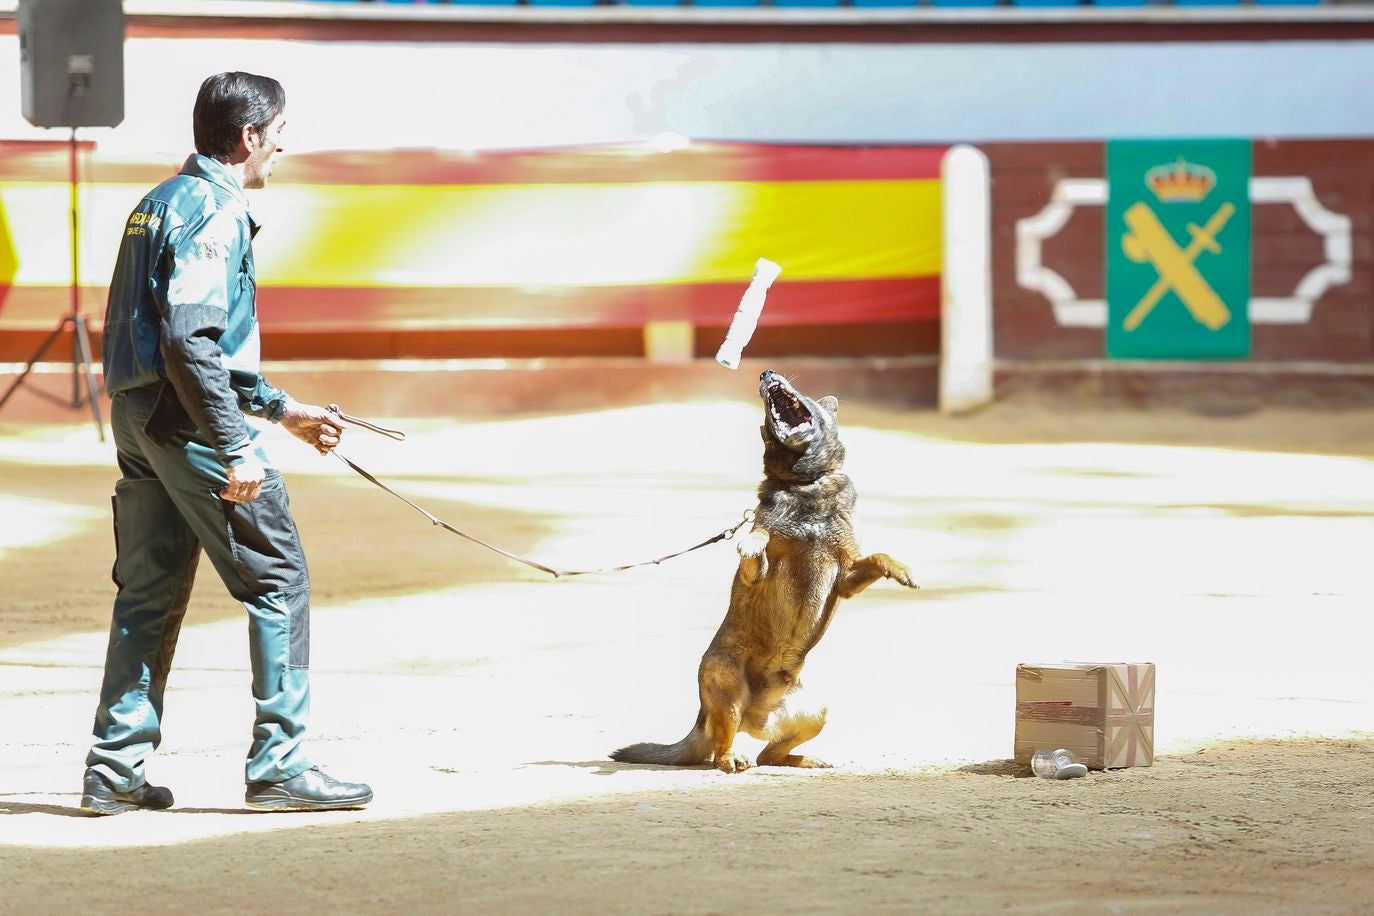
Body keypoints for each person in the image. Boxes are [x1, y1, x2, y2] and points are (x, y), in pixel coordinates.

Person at [81, 71, 372, 814]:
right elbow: (190, 339)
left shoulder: (158, 203)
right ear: (248, 138)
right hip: (191, 428)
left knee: (147, 592)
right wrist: (239, 445)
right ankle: (280, 764)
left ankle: (112, 772)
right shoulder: (217, 209)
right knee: (278, 578)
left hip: (140, 422)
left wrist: (284, 410)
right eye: (278, 132)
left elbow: (179, 343)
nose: (283, 146)